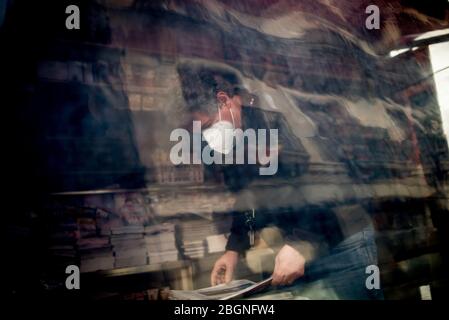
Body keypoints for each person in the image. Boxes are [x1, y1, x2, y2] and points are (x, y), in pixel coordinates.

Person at [176, 62, 383, 299]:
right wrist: (234, 249)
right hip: (303, 242)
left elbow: (327, 185)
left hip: (343, 237)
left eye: (208, 126)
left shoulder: (276, 121)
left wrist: (301, 243)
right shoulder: (232, 143)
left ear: (225, 101)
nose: (207, 137)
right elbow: (248, 200)